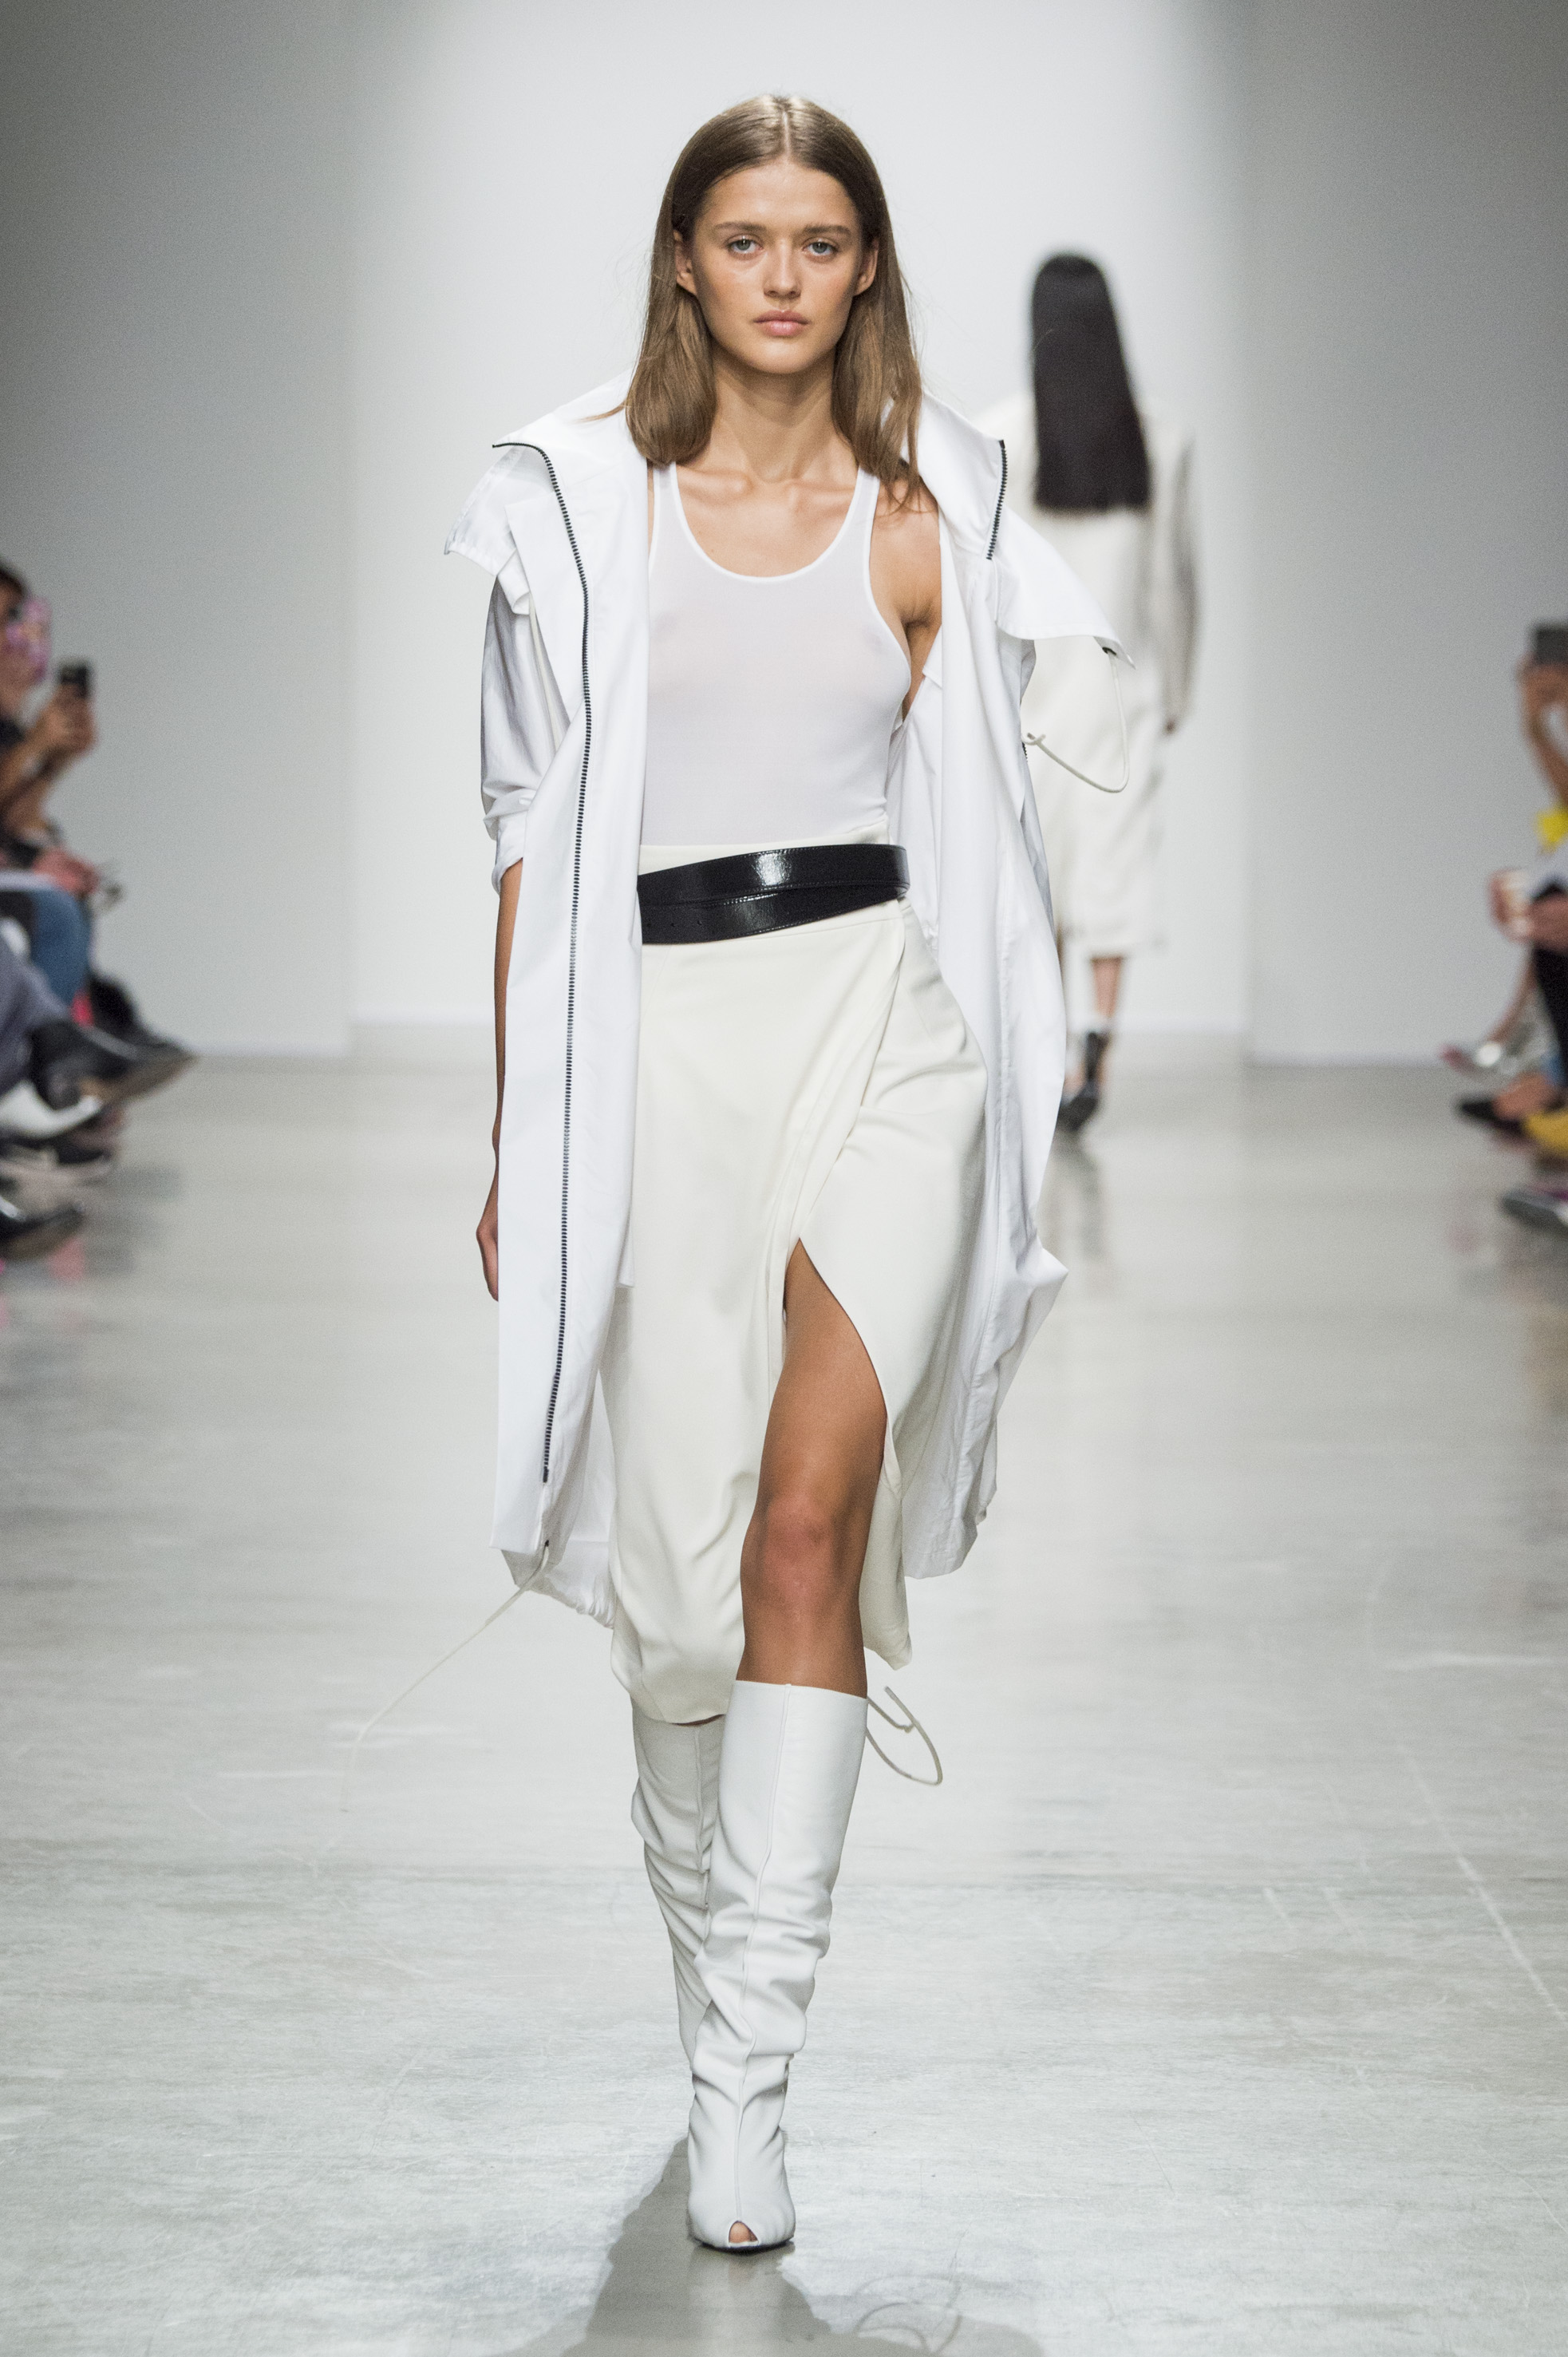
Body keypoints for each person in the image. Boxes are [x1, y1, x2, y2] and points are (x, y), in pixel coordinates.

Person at [447, 95, 1116, 2253]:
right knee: (674, 1605)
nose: (780, 277)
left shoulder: (925, 513)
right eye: (744, 238)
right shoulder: (577, 511)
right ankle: (707, 1992)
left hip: (875, 1031)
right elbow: (523, 841)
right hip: (652, 1047)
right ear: (681, 258)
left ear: (863, 268)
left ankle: (747, 2086)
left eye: (819, 242)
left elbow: (1044, 762)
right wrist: (518, 1130)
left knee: (804, 1525)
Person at [981, 255, 1198, 1129]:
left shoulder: (1000, 436)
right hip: (1123, 686)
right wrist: (1176, 688)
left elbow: (988, 582)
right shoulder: (1160, 439)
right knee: (1113, 867)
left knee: (1044, 870)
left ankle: (1046, 1042)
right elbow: (1171, 581)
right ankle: (1096, 1040)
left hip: (1033, 692)